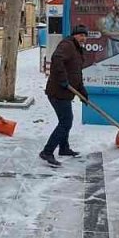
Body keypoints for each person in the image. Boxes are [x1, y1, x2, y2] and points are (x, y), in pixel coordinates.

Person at [41, 25, 88, 167]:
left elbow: (76, 74)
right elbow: (56, 58)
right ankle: (47, 151)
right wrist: (62, 79)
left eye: (85, 36)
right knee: (66, 121)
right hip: (58, 91)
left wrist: (82, 92)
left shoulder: (77, 50)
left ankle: (64, 148)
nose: (83, 38)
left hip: (66, 92)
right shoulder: (67, 45)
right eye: (80, 35)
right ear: (74, 35)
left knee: (65, 120)